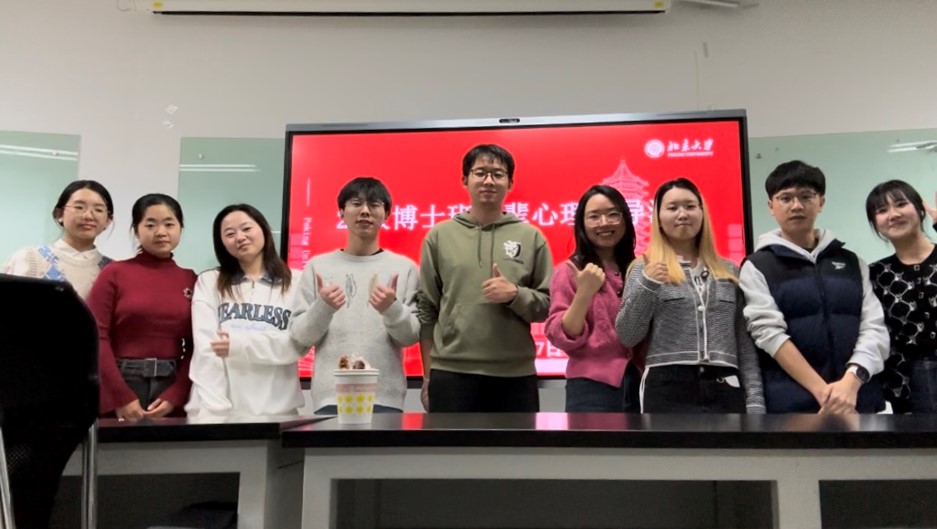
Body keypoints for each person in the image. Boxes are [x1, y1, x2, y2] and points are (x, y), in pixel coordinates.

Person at [740, 160, 888, 414]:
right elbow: (768, 333)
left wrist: (850, 384)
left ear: (821, 202)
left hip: (858, 400)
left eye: (806, 196)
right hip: (793, 407)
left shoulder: (851, 262)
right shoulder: (757, 266)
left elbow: (874, 327)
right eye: (785, 198)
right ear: (771, 206)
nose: (796, 205)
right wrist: (826, 394)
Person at [417, 144, 552, 413]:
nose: (489, 180)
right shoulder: (440, 236)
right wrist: (428, 376)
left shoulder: (531, 237)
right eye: (480, 172)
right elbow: (427, 310)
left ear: (510, 183)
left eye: (497, 174)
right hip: (451, 372)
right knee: (452, 443)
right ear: (465, 180)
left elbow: (548, 305)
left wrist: (515, 294)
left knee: (517, 443)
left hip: (515, 374)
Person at [616, 178, 764, 413]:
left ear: (702, 213)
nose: (682, 214)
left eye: (690, 206)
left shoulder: (729, 271)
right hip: (666, 386)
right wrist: (648, 283)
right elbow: (628, 335)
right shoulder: (644, 268)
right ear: (658, 218)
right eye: (672, 208)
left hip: (725, 384)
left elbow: (743, 343)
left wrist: (755, 400)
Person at [289, 177, 420, 414]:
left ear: (387, 214)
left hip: (385, 398)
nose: (365, 211)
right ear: (341, 212)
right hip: (331, 397)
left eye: (374, 204)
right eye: (356, 203)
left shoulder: (405, 268)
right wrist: (323, 307)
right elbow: (299, 337)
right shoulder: (317, 266)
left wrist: (391, 308)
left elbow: (410, 337)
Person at [186, 204, 306, 418]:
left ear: (264, 229)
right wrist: (217, 409)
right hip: (218, 412)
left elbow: (296, 345)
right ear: (221, 242)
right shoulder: (210, 281)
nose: (240, 237)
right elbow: (206, 349)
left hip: (279, 413)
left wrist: (238, 345)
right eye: (229, 234)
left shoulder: (296, 281)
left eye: (246, 228)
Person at [87, 193, 197, 420]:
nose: (161, 232)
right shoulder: (114, 273)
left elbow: (198, 345)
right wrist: (119, 395)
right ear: (136, 230)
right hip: (120, 383)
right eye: (150, 224)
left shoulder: (191, 280)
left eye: (169, 224)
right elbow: (95, 335)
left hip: (170, 388)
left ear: (180, 229)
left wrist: (177, 393)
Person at [545, 185, 641, 412]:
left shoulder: (639, 269)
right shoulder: (569, 271)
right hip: (591, 386)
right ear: (582, 224)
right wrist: (584, 293)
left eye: (613, 214)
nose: (604, 223)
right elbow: (561, 336)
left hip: (641, 382)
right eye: (594, 216)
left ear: (626, 219)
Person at [865, 180, 937, 413]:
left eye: (900, 204)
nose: (893, 215)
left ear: (920, 209)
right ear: (876, 224)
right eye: (882, 210)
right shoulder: (875, 274)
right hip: (907, 387)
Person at [4, 180, 114, 298]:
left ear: (108, 220)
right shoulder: (28, 259)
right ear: (59, 214)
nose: (88, 216)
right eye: (79, 207)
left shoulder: (113, 270)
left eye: (98, 210)